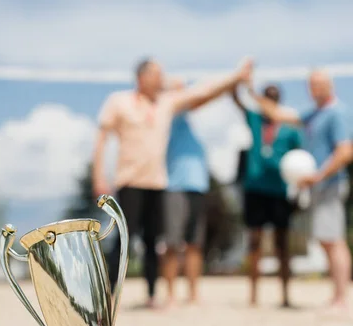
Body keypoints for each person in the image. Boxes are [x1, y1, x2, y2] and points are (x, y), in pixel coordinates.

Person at [93, 58, 252, 308]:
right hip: (129, 181)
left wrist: (235, 76)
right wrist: (99, 176)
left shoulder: (166, 104)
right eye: (156, 74)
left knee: (152, 241)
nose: (162, 77)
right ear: (142, 77)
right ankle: (108, 293)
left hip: (157, 182)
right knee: (123, 237)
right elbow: (102, 138)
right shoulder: (119, 101)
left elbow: (204, 92)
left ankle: (152, 295)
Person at [249, 70, 352, 314]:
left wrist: (318, 176)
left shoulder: (336, 113)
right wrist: (251, 91)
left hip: (330, 184)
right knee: (326, 241)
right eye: (311, 85)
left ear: (330, 85)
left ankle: (341, 299)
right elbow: (277, 113)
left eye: (319, 84)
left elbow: (345, 152)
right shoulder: (314, 114)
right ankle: (337, 296)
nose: (314, 89)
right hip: (318, 186)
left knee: (334, 240)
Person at [232, 84, 303, 307]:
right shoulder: (254, 118)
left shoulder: (290, 127)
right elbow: (237, 99)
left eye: (274, 97)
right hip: (255, 189)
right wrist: (240, 80)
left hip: (280, 190)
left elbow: (300, 159)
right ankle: (253, 296)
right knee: (254, 242)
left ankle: (285, 295)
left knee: (283, 244)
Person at [162, 80, 209, 306]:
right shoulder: (171, 112)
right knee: (172, 242)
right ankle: (170, 293)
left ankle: (193, 293)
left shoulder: (190, 121)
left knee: (194, 243)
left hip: (197, 187)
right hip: (174, 187)